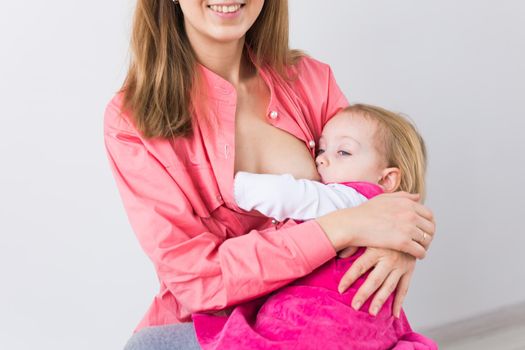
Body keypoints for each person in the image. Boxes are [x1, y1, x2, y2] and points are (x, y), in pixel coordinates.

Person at [103, 1, 435, 349]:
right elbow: (198, 279)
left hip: (325, 320)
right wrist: (342, 228)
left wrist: (402, 246)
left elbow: (383, 193)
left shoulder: (311, 80)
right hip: (207, 328)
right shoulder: (131, 121)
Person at [192, 104, 438, 349]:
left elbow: (289, 195)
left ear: (386, 179)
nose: (322, 158)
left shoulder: (353, 198)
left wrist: (232, 187)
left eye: (343, 152)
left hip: (325, 325)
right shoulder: (384, 218)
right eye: (321, 149)